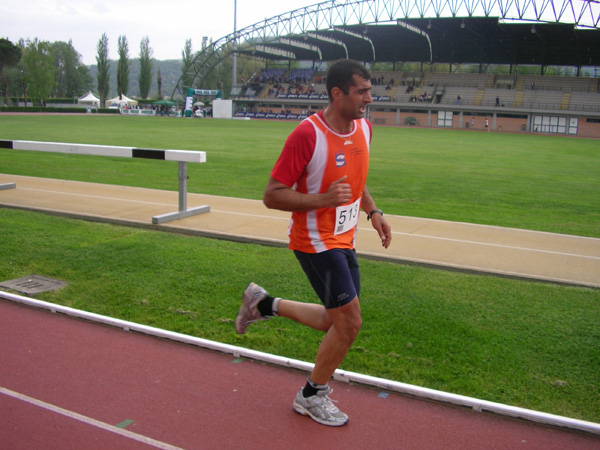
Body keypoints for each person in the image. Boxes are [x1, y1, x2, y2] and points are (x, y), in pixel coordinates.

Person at [235, 59, 392, 427]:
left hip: (345, 237)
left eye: (370, 90)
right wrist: (323, 199)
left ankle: (263, 303)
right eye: (362, 91)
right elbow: (272, 195)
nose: (369, 98)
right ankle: (311, 395)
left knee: (333, 321)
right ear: (338, 94)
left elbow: (355, 180)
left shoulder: (364, 129)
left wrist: (373, 211)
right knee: (350, 324)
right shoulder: (308, 135)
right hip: (315, 242)